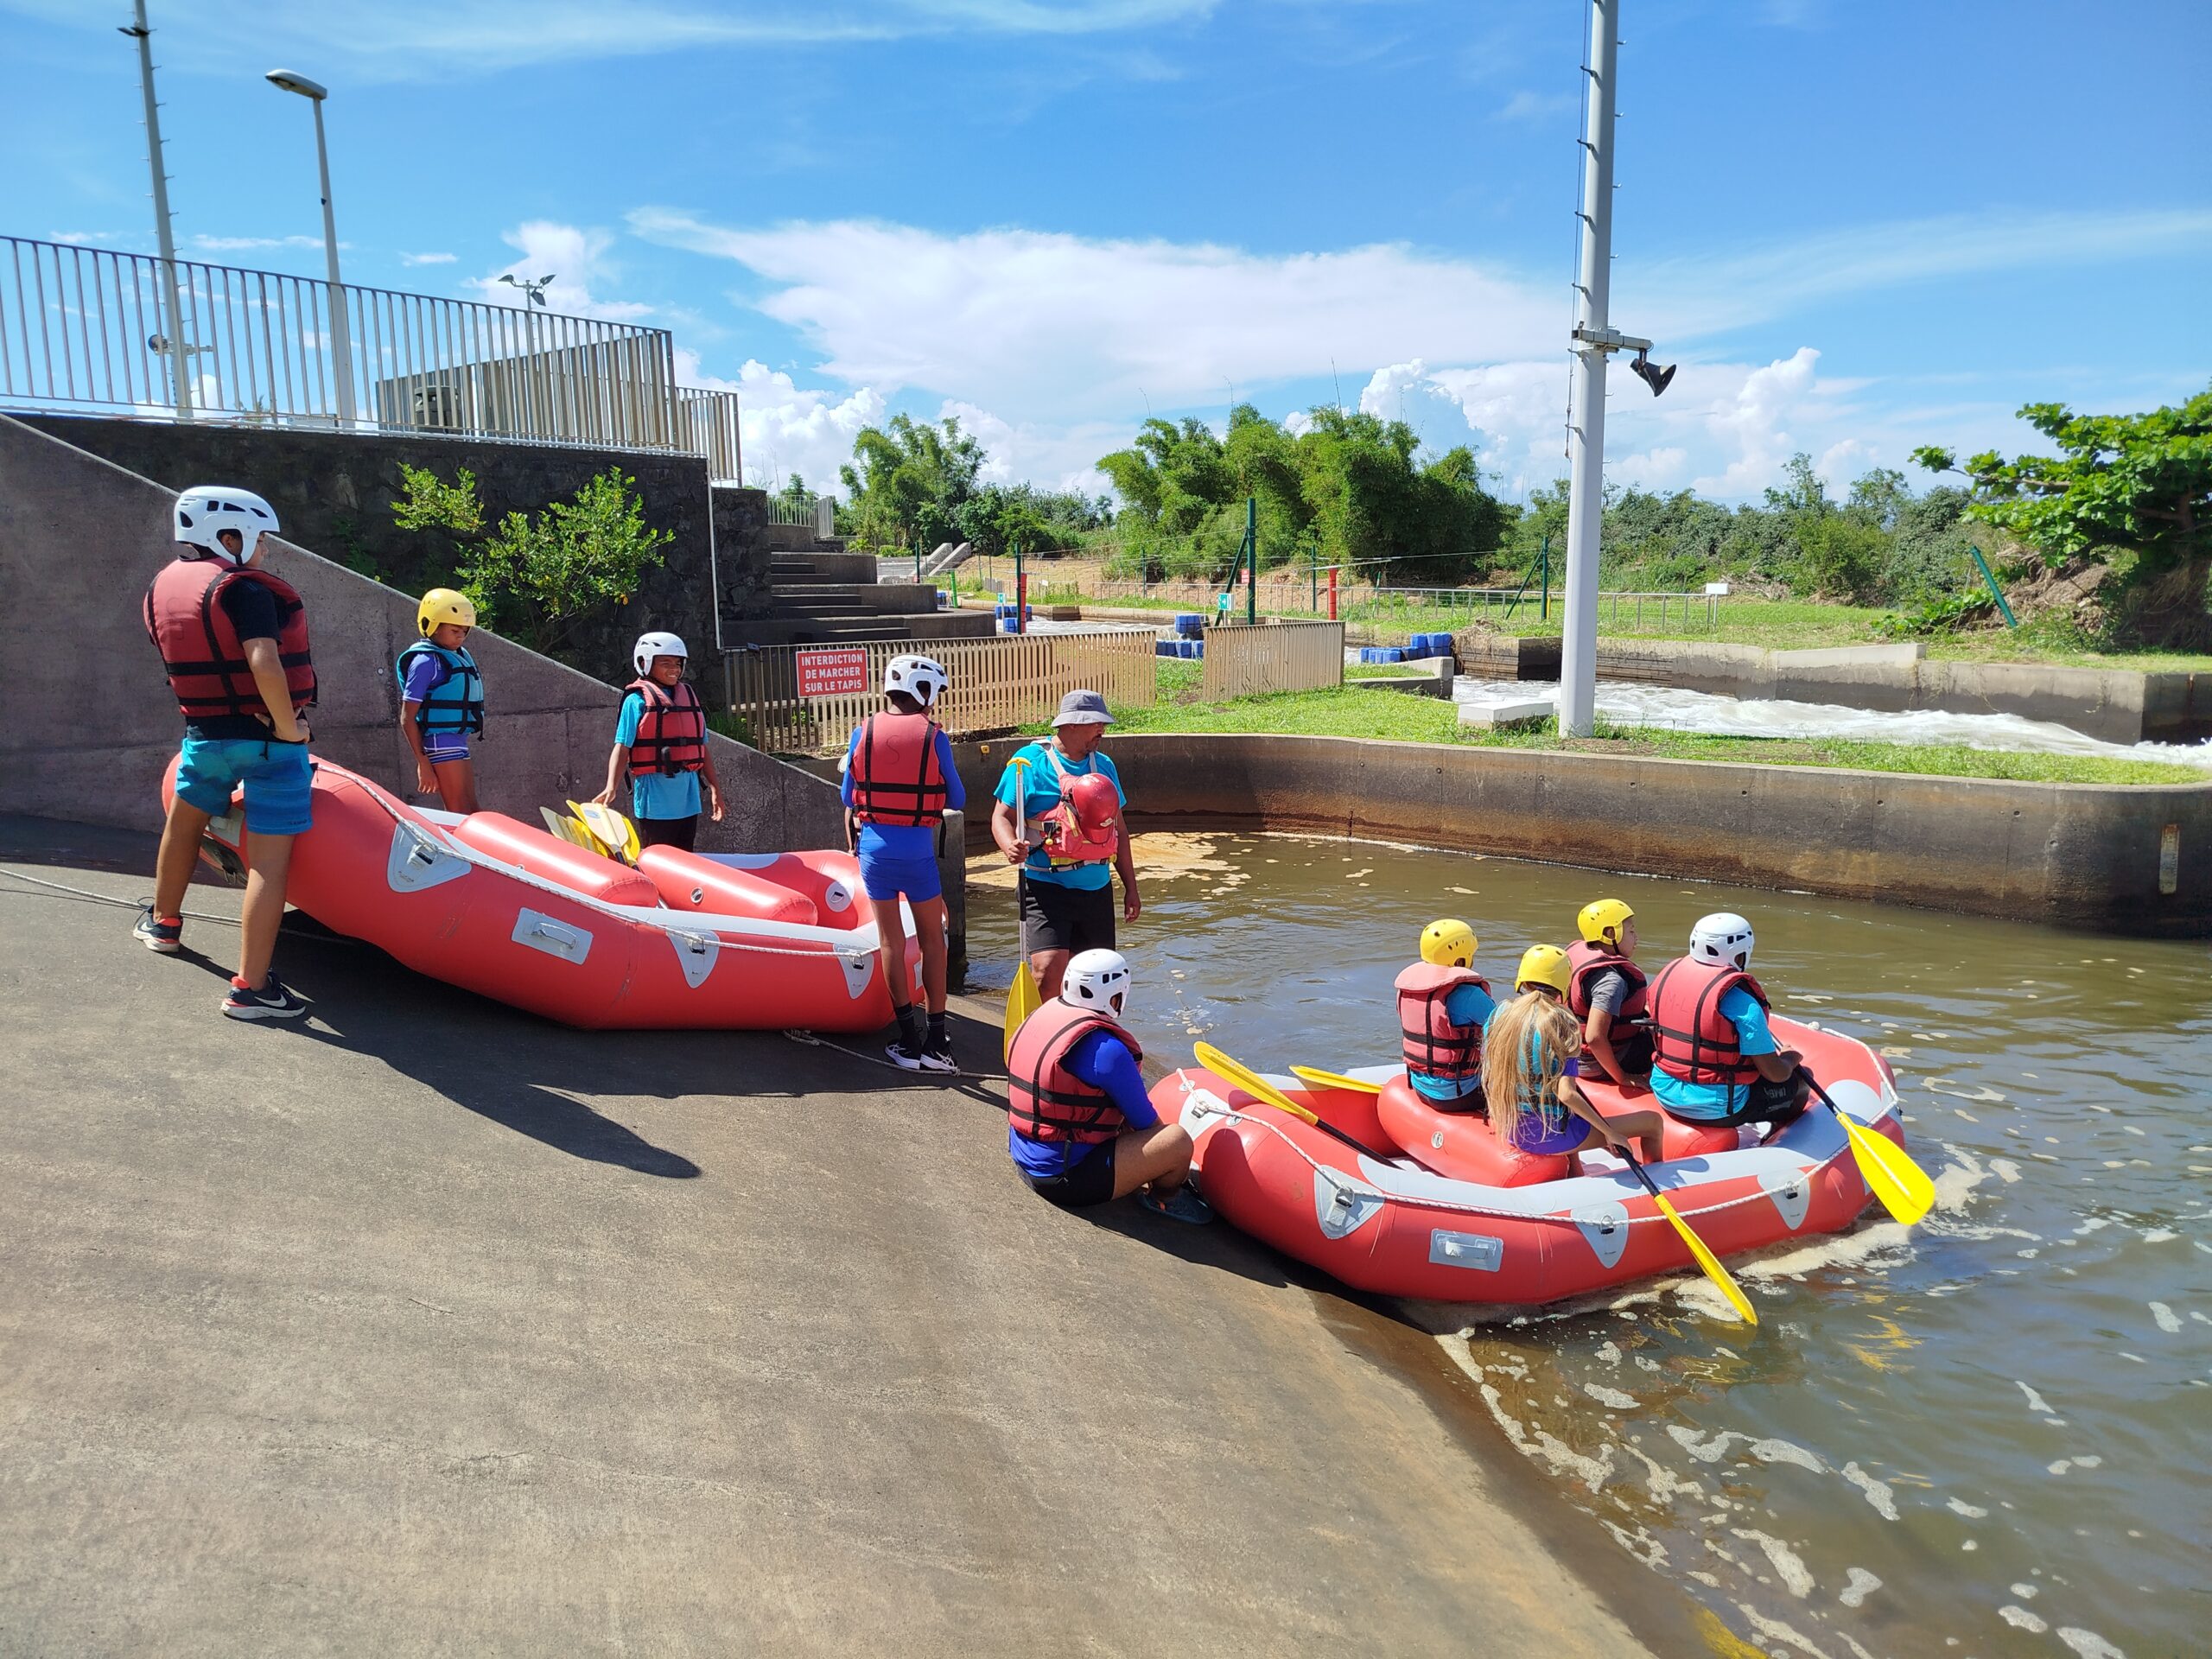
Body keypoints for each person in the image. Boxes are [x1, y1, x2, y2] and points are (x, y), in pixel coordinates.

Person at [136, 485, 315, 1020]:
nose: (266, 550)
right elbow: (264, 661)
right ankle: (251, 990)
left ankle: (163, 924)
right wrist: (288, 728)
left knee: (183, 826)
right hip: (268, 744)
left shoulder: (160, 587)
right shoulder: (246, 591)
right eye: (261, 540)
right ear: (229, 537)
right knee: (269, 864)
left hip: (204, 737)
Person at [1004, 949, 1209, 1222]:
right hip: (1064, 1180)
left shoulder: (1040, 1016)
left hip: (1025, 1159)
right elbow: (1148, 1125)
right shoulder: (1108, 1050)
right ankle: (1165, 1199)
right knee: (1177, 1142)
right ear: (1116, 996)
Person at [842, 654, 966, 1071]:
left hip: (874, 852)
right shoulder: (934, 737)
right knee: (933, 941)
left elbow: (847, 796)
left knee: (891, 942)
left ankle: (908, 1040)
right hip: (917, 853)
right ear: (923, 691)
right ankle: (936, 1041)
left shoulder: (862, 731)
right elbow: (958, 798)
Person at [990, 690, 1141, 1001]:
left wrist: (1131, 889)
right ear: (1072, 724)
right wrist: (1009, 845)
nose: (1102, 729)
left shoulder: (1104, 766)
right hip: (1045, 887)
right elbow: (1001, 817)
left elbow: (1120, 831)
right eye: (1096, 723)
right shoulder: (1028, 763)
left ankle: (1084, 1026)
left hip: (1096, 889)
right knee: (1048, 971)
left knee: (1096, 982)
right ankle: (1045, 1026)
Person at [1483, 945, 1665, 1177]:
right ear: (1564, 984)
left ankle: (1576, 1171)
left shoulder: (1500, 1014)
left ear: (1522, 980)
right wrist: (1610, 1133)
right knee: (1652, 1123)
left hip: (1513, 1129)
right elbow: (1566, 1094)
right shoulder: (1563, 1022)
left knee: (1567, 1110)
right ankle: (1659, 1176)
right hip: (1550, 1137)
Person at [1646, 912, 1810, 1139]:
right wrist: (1791, 1058)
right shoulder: (1745, 1005)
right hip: (1717, 1110)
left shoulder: (1665, 979)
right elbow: (1775, 1074)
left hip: (1664, 1093)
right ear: (1741, 953)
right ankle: (1777, 1136)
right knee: (1800, 1081)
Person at [594, 631, 725, 851]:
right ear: (644, 663)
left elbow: (702, 748)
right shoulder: (635, 701)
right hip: (654, 802)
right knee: (658, 859)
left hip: (688, 801)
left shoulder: (688, 697)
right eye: (666, 663)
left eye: (678, 663)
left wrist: (715, 788)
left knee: (685, 861)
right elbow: (622, 747)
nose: (674, 669)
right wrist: (611, 786)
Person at [397, 587, 484, 815]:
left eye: (464, 631)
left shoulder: (458, 655)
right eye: (454, 630)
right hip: (439, 742)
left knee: (472, 811)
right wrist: (423, 763)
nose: (460, 636)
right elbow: (407, 717)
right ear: (433, 626)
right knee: (458, 811)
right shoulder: (425, 662)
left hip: (457, 740)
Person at [1395, 918, 1496, 1114]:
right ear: (1460, 960)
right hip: (1461, 1094)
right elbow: (1507, 1033)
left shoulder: (1407, 990)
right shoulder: (1469, 995)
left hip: (1419, 1085)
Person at [1566, 897, 1652, 1090]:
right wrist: (1622, 1078)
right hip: (1591, 1065)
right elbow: (1594, 1037)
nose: (1636, 937)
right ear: (1610, 934)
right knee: (1662, 1037)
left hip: (1569, 1052)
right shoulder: (1611, 981)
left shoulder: (1576, 954)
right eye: (1631, 931)